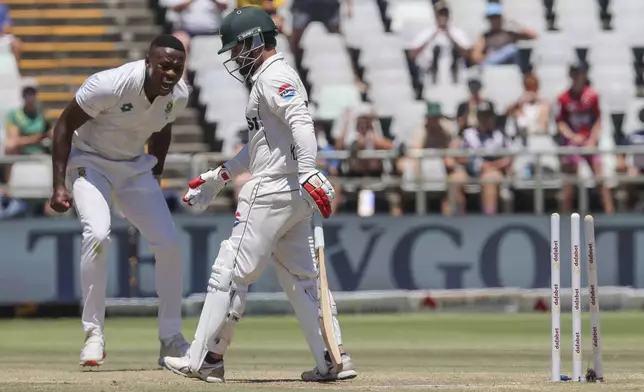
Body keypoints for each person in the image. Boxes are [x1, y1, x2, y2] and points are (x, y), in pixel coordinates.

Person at [162, 7, 357, 383]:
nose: (236, 57)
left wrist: (308, 168)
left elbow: (301, 121)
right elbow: (259, 148)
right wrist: (218, 175)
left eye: (238, 48)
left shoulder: (274, 76)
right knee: (303, 280)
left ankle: (206, 358)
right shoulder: (270, 78)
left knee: (231, 271)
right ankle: (332, 358)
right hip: (290, 191)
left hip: (271, 190)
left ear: (254, 40)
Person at [48, 35, 191, 367]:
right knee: (97, 234)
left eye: (177, 68)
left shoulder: (179, 96)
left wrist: (155, 174)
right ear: (148, 63)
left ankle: (171, 340)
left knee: (169, 243)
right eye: (164, 67)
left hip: (135, 170)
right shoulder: (109, 84)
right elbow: (64, 125)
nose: (170, 74)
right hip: (90, 163)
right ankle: (94, 335)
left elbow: (162, 128)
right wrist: (58, 185)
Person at [556, 61, 614, 214]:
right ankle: (565, 218)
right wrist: (572, 137)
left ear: (585, 75)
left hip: (589, 141)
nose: (577, 77)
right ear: (570, 75)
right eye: (574, 73)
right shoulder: (563, 98)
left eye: (579, 73)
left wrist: (592, 140)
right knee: (568, 182)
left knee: (600, 179)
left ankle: (610, 214)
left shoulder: (592, 96)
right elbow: (560, 123)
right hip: (572, 143)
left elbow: (597, 120)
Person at [450, 101, 512, 215]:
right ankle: (457, 219)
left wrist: (490, 166)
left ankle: (488, 220)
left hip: (493, 169)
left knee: (489, 180)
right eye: (482, 115)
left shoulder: (501, 135)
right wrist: (475, 164)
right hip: (469, 169)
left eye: (488, 116)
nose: (485, 119)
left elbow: (508, 159)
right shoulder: (467, 134)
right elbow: (458, 157)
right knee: (455, 180)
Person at [409, 1, 470, 83]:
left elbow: (467, 54)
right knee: (436, 50)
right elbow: (412, 54)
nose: (443, 17)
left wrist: (450, 36)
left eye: (445, 14)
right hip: (429, 73)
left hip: (454, 75)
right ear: (435, 15)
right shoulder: (427, 32)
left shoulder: (457, 33)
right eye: (440, 14)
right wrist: (432, 36)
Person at [471, 2, 537, 66]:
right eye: (492, 18)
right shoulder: (485, 36)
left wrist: (517, 26)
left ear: (502, 18)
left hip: (512, 65)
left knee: (513, 49)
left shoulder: (510, 33)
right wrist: (487, 57)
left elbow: (533, 36)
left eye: (497, 17)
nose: (495, 21)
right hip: (493, 64)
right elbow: (476, 56)